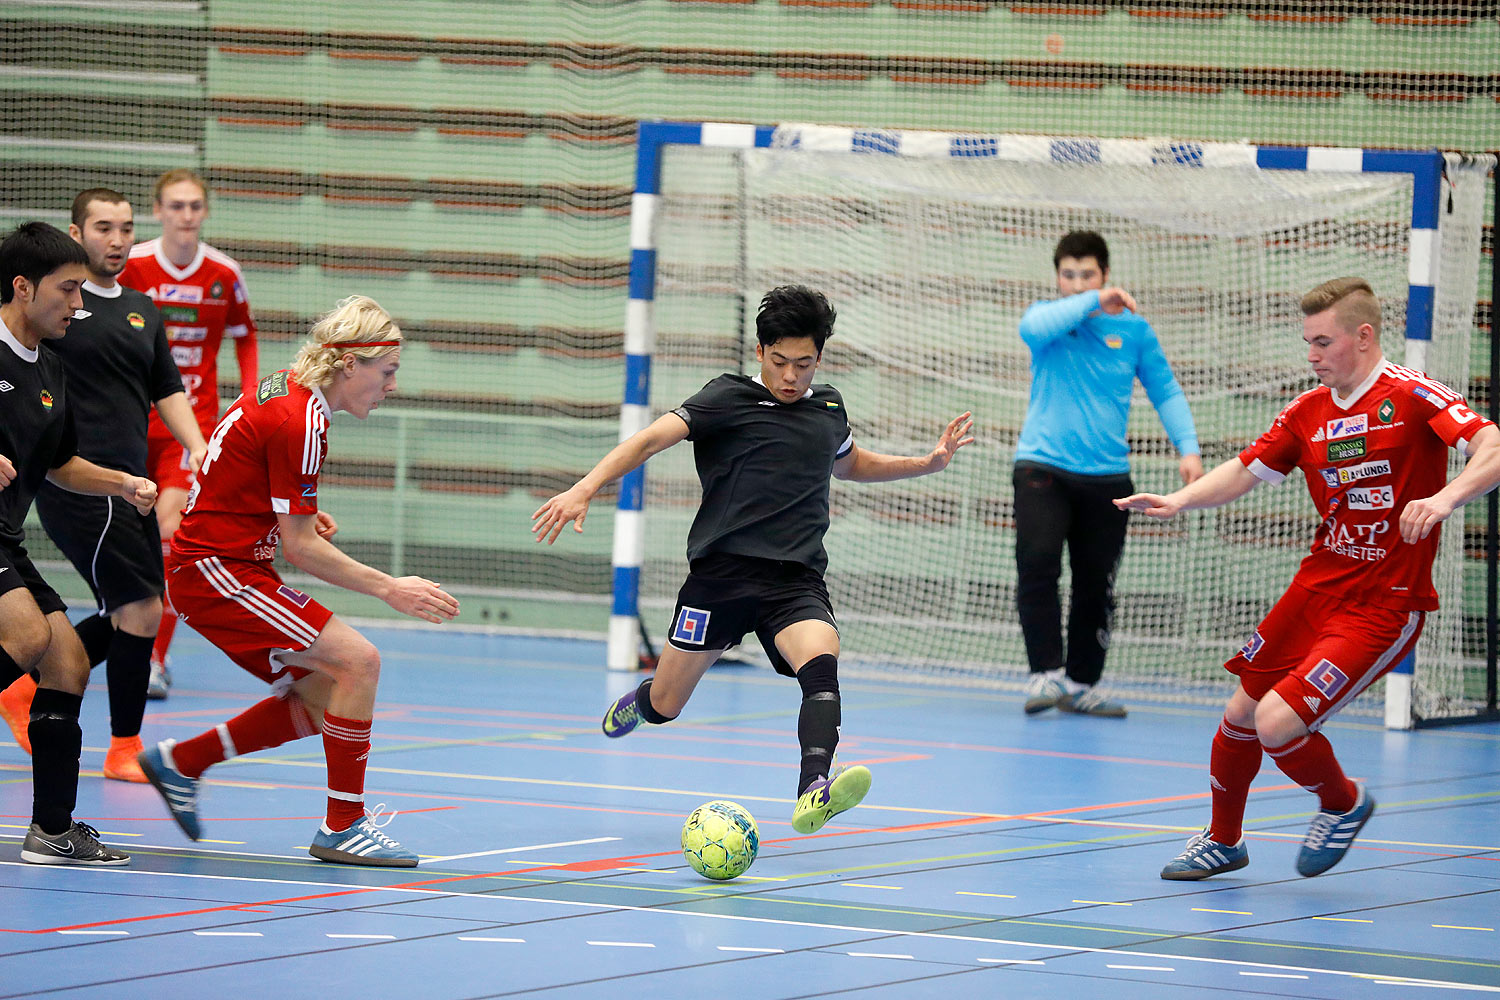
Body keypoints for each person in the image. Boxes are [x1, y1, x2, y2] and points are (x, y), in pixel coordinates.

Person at [533, 285, 974, 834]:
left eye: (804, 364)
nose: (792, 376)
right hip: (720, 578)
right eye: (781, 362)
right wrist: (586, 487)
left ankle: (813, 789)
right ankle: (642, 703)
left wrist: (925, 464)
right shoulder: (726, 398)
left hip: (794, 580)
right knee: (668, 705)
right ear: (761, 352)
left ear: (820, 359)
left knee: (822, 661)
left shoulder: (829, 408)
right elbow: (648, 441)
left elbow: (851, 463)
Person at [1117, 276, 1500, 879]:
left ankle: (1343, 802)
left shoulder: (1413, 395)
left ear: (1363, 337)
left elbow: (1492, 444)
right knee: (1240, 713)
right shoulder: (1307, 411)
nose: (1312, 355)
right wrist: (1180, 500)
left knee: (1276, 721)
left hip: (1383, 602)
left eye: (1323, 342)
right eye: (1308, 342)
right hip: (1316, 588)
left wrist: (1447, 498)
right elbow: (1246, 470)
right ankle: (1224, 841)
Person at [136, 295, 460, 868]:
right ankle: (344, 824)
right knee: (359, 662)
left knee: (324, 692)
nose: (391, 386)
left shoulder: (286, 389)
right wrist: (390, 587)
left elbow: (259, 487)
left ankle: (183, 761)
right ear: (349, 364)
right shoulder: (302, 417)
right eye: (387, 373)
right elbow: (301, 547)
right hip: (219, 572)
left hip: (220, 565)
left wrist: (294, 515)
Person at [0, 190, 208, 783]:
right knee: (134, 608)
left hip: (113, 487)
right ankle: (122, 747)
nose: (117, 240)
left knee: (105, 634)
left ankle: (57, 809)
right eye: (103, 228)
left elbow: (163, 392)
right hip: (72, 496)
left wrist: (179, 459)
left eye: (125, 228)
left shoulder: (131, 315)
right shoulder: (43, 322)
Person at [0, 222, 159, 864]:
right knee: (27, 639)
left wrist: (122, 483)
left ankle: (51, 830)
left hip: (5, 537)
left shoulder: (53, 372)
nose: (78, 303)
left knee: (65, 662)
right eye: (68, 289)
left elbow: (61, 461)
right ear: (21, 287)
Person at [1014, 230, 1203, 719]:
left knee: (1096, 582)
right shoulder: (1048, 321)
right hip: (1043, 466)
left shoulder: (1134, 331)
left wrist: (1189, 449)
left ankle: (1080, 684)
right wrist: (1092, 300)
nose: (1077, 283)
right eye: (1069, 274)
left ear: (1105, 274)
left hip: (1108, 477)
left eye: (1089, 275)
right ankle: (1046, 675)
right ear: (1058, 277)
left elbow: (1165, 390)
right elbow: (1031, 328)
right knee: (1037, 564)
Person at [120, 169, 259, 699]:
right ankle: (127, 634)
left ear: (205, 212)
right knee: (128, 540)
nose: (186, 215)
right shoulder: (132, 266)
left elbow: (245, 338)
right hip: (131, 421)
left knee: (171, 531)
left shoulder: (224, 272)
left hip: (192, 426)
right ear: (159, 211)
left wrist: (247, 399)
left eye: (195, 206)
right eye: (176, 206)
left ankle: (153, 658)